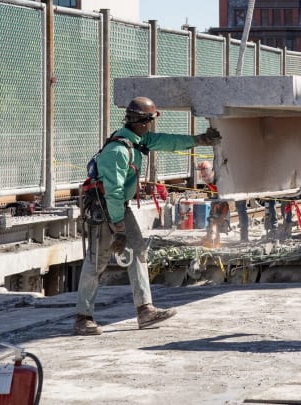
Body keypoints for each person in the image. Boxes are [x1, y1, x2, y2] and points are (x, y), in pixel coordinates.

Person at [75, 96, 222, 336]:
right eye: (150, 121)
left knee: (137, 253)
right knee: (97, 261)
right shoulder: (118, 151)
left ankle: (145, 310)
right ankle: (83, 318)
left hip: (118, 207)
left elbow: (167, 142)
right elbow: (112, 193)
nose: (151, 126)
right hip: (104, 210)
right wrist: (119, 229)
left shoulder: (137, 141)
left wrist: (199, 140)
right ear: (143, 122)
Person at [198, 160, 248, 246]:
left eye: (205, 175)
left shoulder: (220, 178)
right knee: (214, 208)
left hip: (238, 186)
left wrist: (222, 213)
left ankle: (244, 237)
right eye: (202, 176)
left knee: (241, 209)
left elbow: (226, 203)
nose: (204, 178)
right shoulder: (209, 180)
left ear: (210, 172)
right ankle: (213, 235)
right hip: (225, 191)